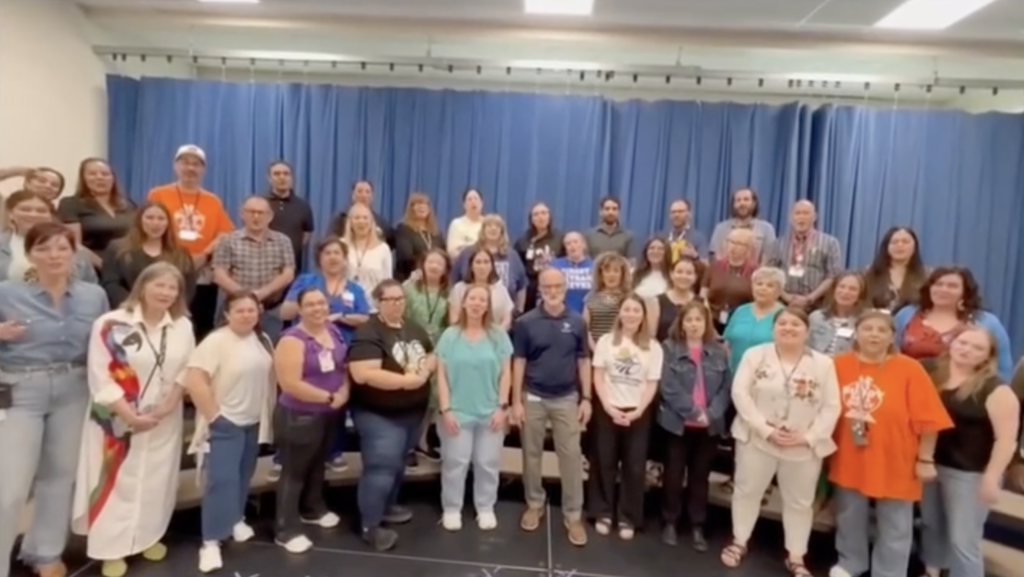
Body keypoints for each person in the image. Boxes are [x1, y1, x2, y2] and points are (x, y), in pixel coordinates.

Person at [71, 263, 195, 577]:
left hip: (164, 417)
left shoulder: (182, 326)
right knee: (117, 481)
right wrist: (130, 415)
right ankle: (111, 548)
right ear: (142, 285)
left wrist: (169, 404)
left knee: (157, 479)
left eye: (172, 288)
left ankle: (145, 537)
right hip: (116, 420)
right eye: (160, 285)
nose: (166, 292)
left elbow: (188, 368)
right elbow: (101, 375)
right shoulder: (111, 323)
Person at [0, 222, 109, 577]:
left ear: (73, 251)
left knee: (60, 476)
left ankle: (44, 552)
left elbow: (106, 343)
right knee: (11, 488)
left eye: (62, 248)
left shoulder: (93, 296)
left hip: (74, 388)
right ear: (30, 254)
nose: (54, 256)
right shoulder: (7, 293)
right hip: (21, 390)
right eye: (44, 248)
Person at [828, 310, 952, 577]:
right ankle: (851, 561)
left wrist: (925, 458)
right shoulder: (838, 364)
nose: (874, 334)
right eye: (868, 329)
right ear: (856, 333)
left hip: (895, 457)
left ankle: (889, 572)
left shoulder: (909, 368)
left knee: (895, 522)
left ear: (892, 337)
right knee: (849, 514)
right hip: (850, 453)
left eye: (881, 330)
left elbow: (930, 420)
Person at [720, 307, 840, 576]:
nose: (788, 328)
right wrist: (765, 429)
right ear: (773, 329)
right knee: (747, 491)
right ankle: (739, 541)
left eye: (795, 324)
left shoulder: (824, 364)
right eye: (782, 323)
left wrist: (808, 436)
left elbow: (832, 406)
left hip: (802, 446)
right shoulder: (755, 356)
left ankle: (796, 555)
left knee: (799, 501)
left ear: (806, 331)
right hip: (757, 438)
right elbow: (740, 393)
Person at [182, 292, 276, 573]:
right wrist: (215, 417)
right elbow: (195, 380)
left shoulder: (262, 340)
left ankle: (234, 518)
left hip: (252, 422)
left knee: (242, 475)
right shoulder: (216, 341)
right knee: (220, 482)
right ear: (227, 314)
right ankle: (210, 542)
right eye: (240, 310)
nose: (247, 315)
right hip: (225, 423)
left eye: (252, 310)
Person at [920, 328, 1020, 577]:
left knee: (963, 540)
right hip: (930, 463)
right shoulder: (930, 371)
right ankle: (932, 571)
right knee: (932, 526)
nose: (967, 349)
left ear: (987, 357)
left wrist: (991, 477)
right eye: (963, 342)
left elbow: (1006, 440)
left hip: (970, 473)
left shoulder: (995, 389)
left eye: (977, 348)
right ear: (952, 343)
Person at [347, 279, 436, 552]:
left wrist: (425, 372)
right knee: (382, 467)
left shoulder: (413, 327)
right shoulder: (368, 331)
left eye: (400, 299)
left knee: (397, 464)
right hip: (378, 413)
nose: (397, 304)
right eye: (390, 300)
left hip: (412, 412)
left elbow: (431, 354)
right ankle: (370, 526)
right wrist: (406, 382)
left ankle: (386, 507)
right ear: (378, 302)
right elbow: (363, 373)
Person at [273, 237, 369, 479]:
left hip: (340, 349)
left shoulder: (354, 288)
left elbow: (365, 318)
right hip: (306, 351)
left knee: (336, 401)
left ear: (344, 259)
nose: (333, 257)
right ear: (320, 257)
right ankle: (282, 457)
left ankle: (333, 452)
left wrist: (339, 317)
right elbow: (285, 311)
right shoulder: (307, 281)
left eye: (338, 253)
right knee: (300, 398)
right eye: (328, 253)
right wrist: (312, 305)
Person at [511, 268, 592, 547]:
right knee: (531, 454)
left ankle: (573, 514)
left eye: (558, 285)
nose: (553, 290)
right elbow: (518, 362)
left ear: (565, 287)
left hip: (567, 397)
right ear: (540, 288)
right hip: (532, 396)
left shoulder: (577, 321)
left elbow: (583, 361)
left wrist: (587, 398)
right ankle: (534, 502)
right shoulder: (525, 322)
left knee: (570, 456)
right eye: (547, 286)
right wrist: (515, 401)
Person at [273, 288, 349, 553]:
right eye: (311, 304)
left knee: (318, 463)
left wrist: (343, 392)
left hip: (329, 413)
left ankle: (312, 508)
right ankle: (285, 528)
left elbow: (344, 368)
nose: (318, 308)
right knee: (294, 471)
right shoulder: (292, 340)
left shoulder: (333, 331)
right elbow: (290, 383)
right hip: (300, 414)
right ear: (300, 309)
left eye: (321, 303)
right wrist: (328, 397)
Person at [436, 284, 513, 531]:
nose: (478, 303)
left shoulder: (498, 336)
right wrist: (446, 410)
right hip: (457, 411)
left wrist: (502, 407)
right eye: (473, 299)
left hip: (491, 411)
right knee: (455, 462)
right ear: (464, 302)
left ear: (488, 306)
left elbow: (506, 375)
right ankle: (451, 507)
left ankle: (485, 506)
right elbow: (441, 376)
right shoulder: (449, 335)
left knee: (487, 462)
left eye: (483, 300)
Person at [657, 302, 732, 550]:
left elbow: (725, 388)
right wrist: (692, 411)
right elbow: (667, 386)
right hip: (677, 423)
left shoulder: (719, 351)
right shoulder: (669, 348)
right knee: (674, 475)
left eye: (698, 320)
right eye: (688, 320)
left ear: (706, 323)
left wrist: (710, 414)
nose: (693, 325)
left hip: (708, 426)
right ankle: (670, 521)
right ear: (681, 323)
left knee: (700, 477)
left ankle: (697, 524)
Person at [589, 294, 662, 540]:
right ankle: (603, 512)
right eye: (627, 309)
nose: (631, 314)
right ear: (620, 313)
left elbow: (651, 383)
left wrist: (638, 411)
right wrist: (609, 407)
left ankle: (628, 517)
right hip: (607, 409)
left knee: (634, 465)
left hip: (638, 412)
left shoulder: (653, 346)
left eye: (636, 310)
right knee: (604, 461)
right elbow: (598, 376)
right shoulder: (606, 342)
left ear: (643, 316)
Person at [894, 266, 1013, 381]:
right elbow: (889, 353)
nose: (943, 289)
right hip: (908, 386)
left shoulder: (987, 321)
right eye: (938, 284)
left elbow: (1002, 368)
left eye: (952, 286)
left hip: (965, 394)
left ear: (965, 292)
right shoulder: (906, 314)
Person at [100, 202, 196, 308]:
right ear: (139, 220)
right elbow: (111, 283)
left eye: (161, 219)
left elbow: (187, 288)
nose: (155, 223)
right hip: (128, 310)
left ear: (168, 223)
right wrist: (135, 306)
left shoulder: (181, 253)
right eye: (150, 218)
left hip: (168, 313)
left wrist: (170, 308)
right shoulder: (117, 248)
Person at [1, 190, 97, 283]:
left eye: (41, 211)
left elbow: (89, 285)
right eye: (25, 209)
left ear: (50, 216)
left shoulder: (72, 247)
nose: (33, 214)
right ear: (10, 214)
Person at [57, 158, 136, 270]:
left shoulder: (129, 204)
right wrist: (105, 266)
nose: (99, 177)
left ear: (113, 178)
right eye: (92, 174)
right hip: (91, 267)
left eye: (105, 174)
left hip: (128, 266)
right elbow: (74, 243)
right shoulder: (70, 204)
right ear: (83, 178)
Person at [448, 249, 515, 330]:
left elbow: (507, 319)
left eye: (486, 262)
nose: (482, 266)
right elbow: (454, 318)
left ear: (492, 266)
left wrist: (497, 334)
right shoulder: (459, 289)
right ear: (471, 266)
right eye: (478, 262)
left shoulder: (501, 289)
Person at [807, 271, 867, 355]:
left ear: (860, 295)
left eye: (852, 289)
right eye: (842, 287)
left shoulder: (864, 322)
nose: (845, 292)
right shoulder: (816, 317)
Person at [393, 192, 444, 282]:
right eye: (418, 204)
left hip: (433, 279)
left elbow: (443, 255)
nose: (422, 206)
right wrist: (428, 265)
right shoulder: (404, 229)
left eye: (425, 204)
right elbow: (405, 257)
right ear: (411, 208)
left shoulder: (436, 232)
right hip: (409, 278)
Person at [446, 188, 484, 259]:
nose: (473, 202)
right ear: (464, 205)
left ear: (482, 203)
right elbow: (452, 251)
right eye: (469, 199)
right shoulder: (456, 224)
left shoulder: (487, 223)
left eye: (476, 199)